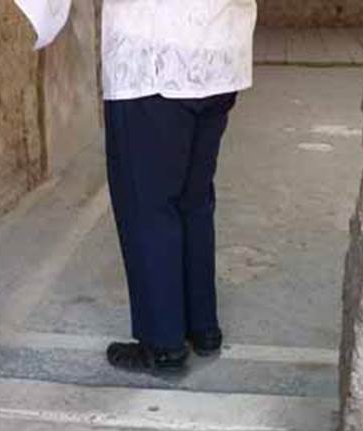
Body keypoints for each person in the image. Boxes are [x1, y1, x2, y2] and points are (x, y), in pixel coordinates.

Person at [101, 0, 258, 374]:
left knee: (148, 206)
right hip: (219, 54)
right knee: (194, 200)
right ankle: (202, 327)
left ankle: (163, 343)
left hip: (153, 58)